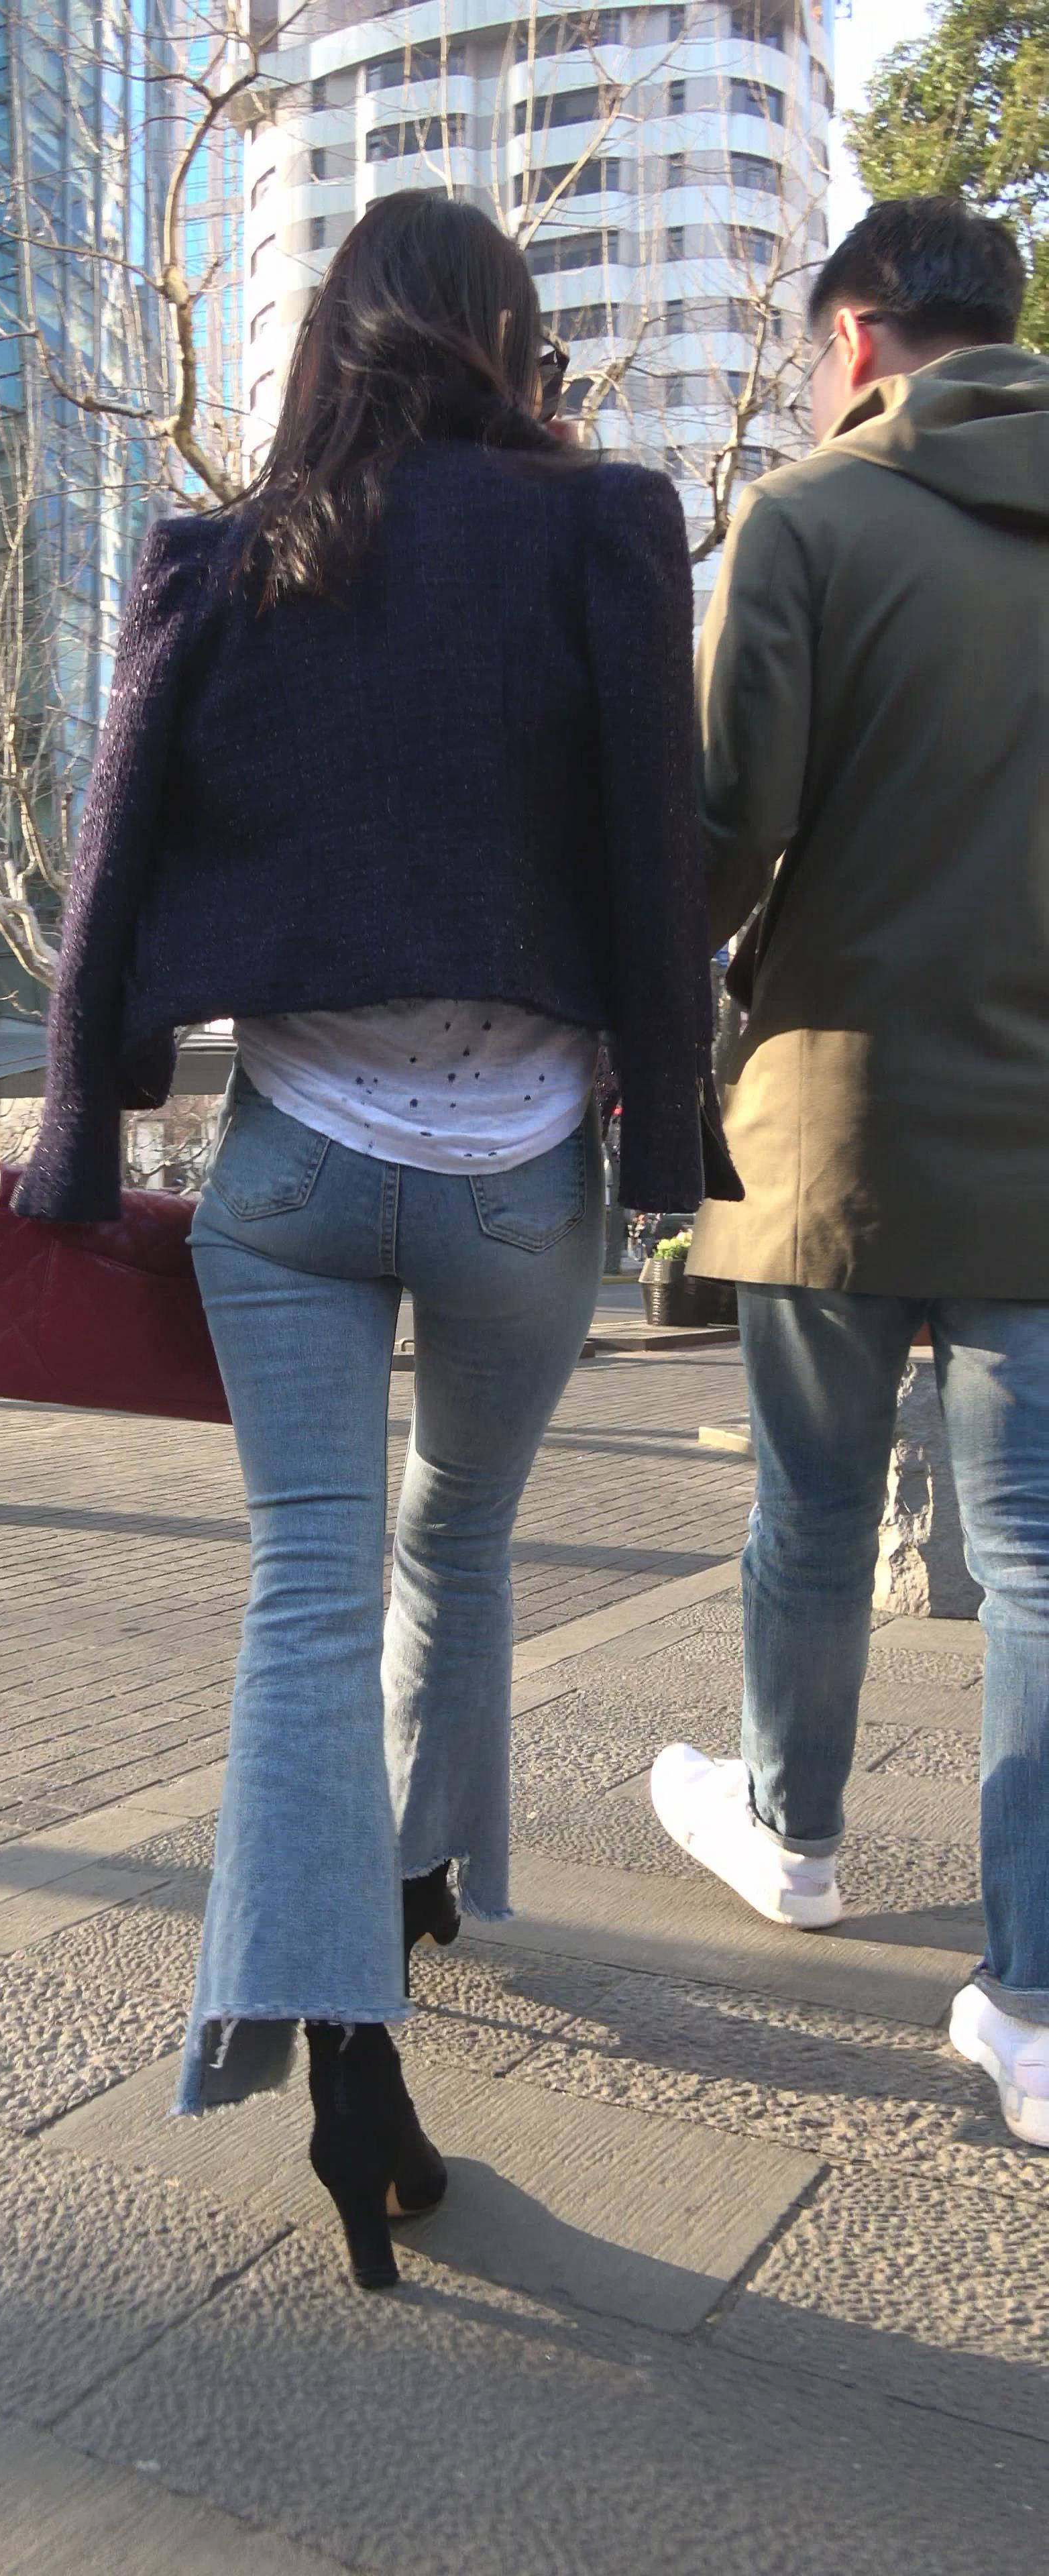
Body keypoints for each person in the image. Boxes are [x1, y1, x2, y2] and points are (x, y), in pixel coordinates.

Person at [18, 192, 735, 2284]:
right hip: (521, 1179)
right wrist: (667, 1132)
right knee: (462, 1539)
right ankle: (417, 1880)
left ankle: (346, 2051)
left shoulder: (227, 557)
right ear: (508, 339)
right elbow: (657, 852)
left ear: (330, 344)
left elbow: (112, 857)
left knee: (309, 1586)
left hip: (292, 1178)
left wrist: (83, 1122)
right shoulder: (608, 529)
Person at [649, 199, 1049, 2147]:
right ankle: (1035, 2004)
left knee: (808, 1511)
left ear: (864, 337)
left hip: (831, 1119)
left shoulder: (809, 520)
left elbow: (727, 822)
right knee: (1040, 1562)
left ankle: (794, 1836)